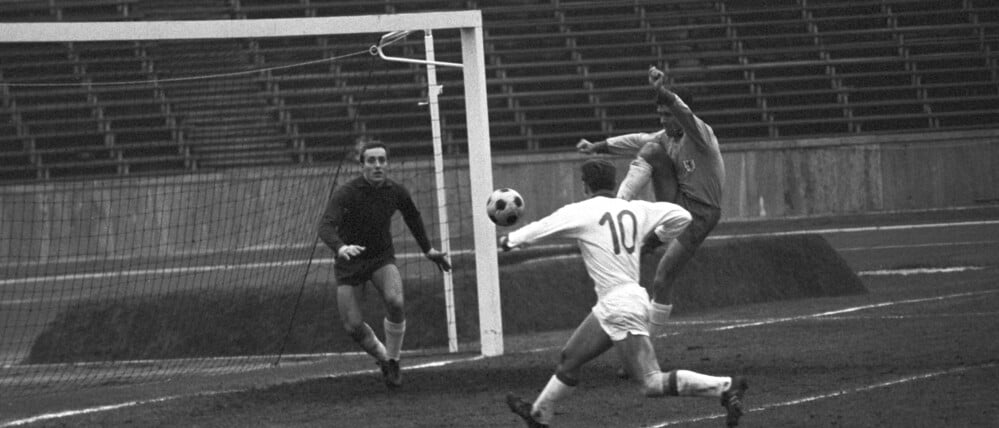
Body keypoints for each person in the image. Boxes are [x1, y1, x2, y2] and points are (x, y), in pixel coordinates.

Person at [502, 159, 747, 428]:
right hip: (616, 303)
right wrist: (657, 238)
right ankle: (539, 415)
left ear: (585, 185)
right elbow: (683, 216)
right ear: (613, 182)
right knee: (568, 360)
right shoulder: (635, 209)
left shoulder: (582, 211)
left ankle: (725, 387)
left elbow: (542, 227)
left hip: (621, 307)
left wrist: (510, 241)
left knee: (651, 382)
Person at [576, 65, 725, 337]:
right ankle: (619, 209)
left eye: (668, 115)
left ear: (682, 114)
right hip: (677, 206)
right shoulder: (666, 137)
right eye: (660, 115)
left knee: (662, 278)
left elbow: (681, 112)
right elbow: (636, 140)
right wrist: (596, 146)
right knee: (650, 150)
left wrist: (661, 90)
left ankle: (649, 346)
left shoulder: (701, 135)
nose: (664, 120)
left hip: (700, 214)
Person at [318, 139, 451, 388]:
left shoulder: (396, 191)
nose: (377, 165)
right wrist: (341, 247)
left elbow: (413, 217)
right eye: (371, 160)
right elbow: (325, 225)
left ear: (387, 164)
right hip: (350, 262)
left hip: (381, 257)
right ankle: (384, 358)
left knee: (396, 301)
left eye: (382, 160)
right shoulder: (347, 193)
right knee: (353, 326)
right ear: (362, 165)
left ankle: (394, 360)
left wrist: (428, 250)